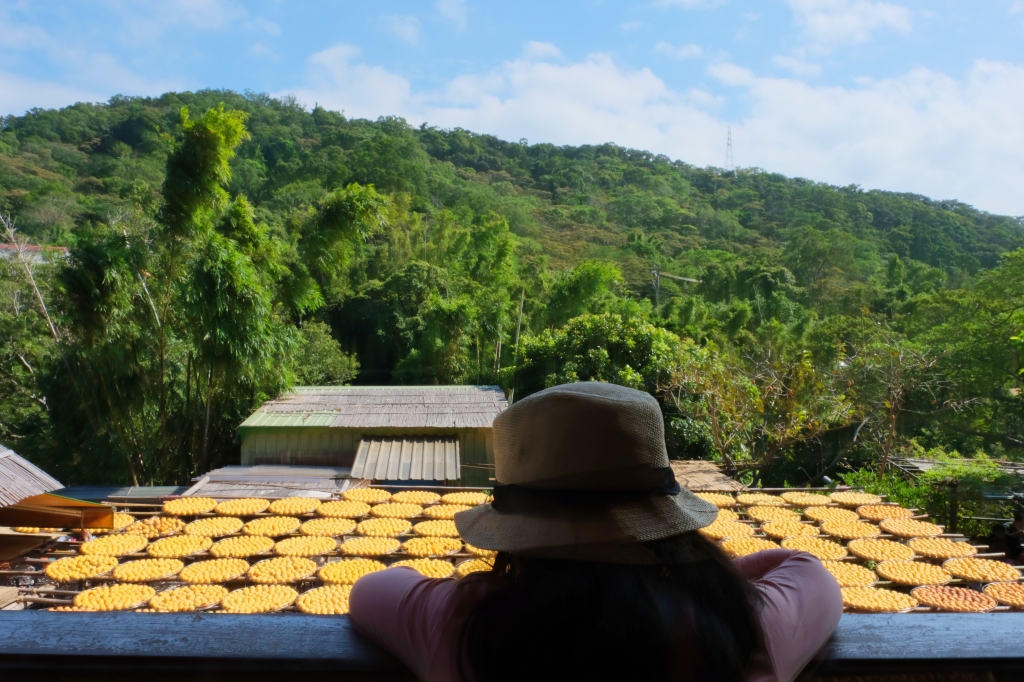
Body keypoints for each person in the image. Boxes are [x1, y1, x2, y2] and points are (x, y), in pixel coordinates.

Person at [350, 383, 843, 682]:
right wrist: (697, 576)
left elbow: (370, 590)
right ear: (667, 524)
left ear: (518, 535)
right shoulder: (742, 626)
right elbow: (803, 567)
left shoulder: (468, 620)